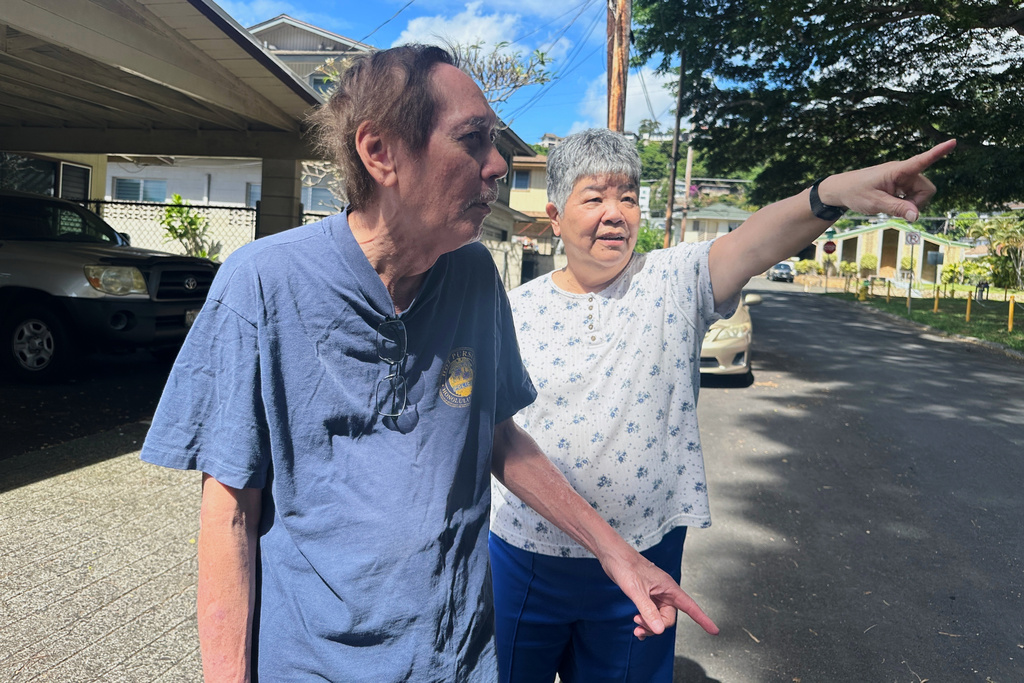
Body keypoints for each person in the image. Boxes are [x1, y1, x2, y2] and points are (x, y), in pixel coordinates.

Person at [140, 46, 716, 682]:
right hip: (316, 665)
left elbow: (497, 435)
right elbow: (228, 510)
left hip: (460, 659)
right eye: (473, 139)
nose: (496, 165)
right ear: (380, 151)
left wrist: (618, 555)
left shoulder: (472, 273)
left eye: (492, 141)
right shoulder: (262, 282)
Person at [489, 127, 955, 682]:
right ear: (554, 214)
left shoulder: (672, 281)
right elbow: (491, 433)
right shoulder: (512, 309)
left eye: (629, 198)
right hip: (525, 553)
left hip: (647, 548)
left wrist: (833, 192)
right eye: (594, 197)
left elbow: (753, 242)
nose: (615, 213)